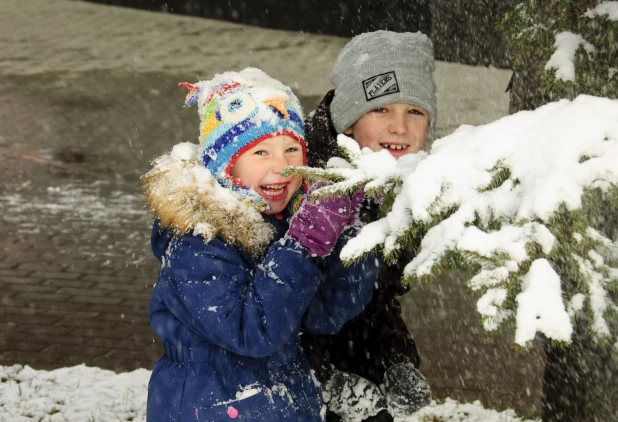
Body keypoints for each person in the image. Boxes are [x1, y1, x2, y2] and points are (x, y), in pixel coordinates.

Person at [143, 68, 382, 422]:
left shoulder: (284, 224)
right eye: (260, 153)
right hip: (209, 409)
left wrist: (351, 234)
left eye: (291, 149)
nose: (283, 166)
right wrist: (303, 246)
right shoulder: (198, 240)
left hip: (284, 403)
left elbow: (323, 314)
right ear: (227, 165)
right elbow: (252, 331)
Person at [301, 31, 436, 421]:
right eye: (381, 110)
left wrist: (396, 361)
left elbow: (376, 297)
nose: (400, 127)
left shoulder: (398, 184)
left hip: (357, 367)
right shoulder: (304, 181)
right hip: (289, 381)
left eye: (415, 111)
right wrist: (324, 377)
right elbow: (281, 305)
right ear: (348, 118)